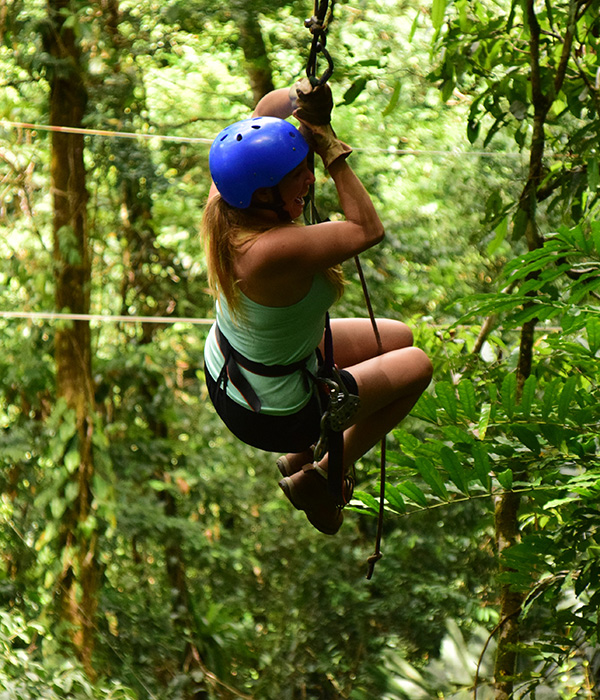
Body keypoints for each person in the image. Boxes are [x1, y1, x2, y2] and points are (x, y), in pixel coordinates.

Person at [202, 80, 432, 535]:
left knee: (399, 338)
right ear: (264, 194)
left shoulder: (228, 201)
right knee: (417, 365)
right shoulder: (269, 251)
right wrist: (328, 148)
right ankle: (322, 472)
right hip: (269, 411)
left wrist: (298, 96)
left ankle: (297, 457)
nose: (309, 180)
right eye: (296, 177)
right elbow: (367, 229)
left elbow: (266, 110)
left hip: (235, 369)